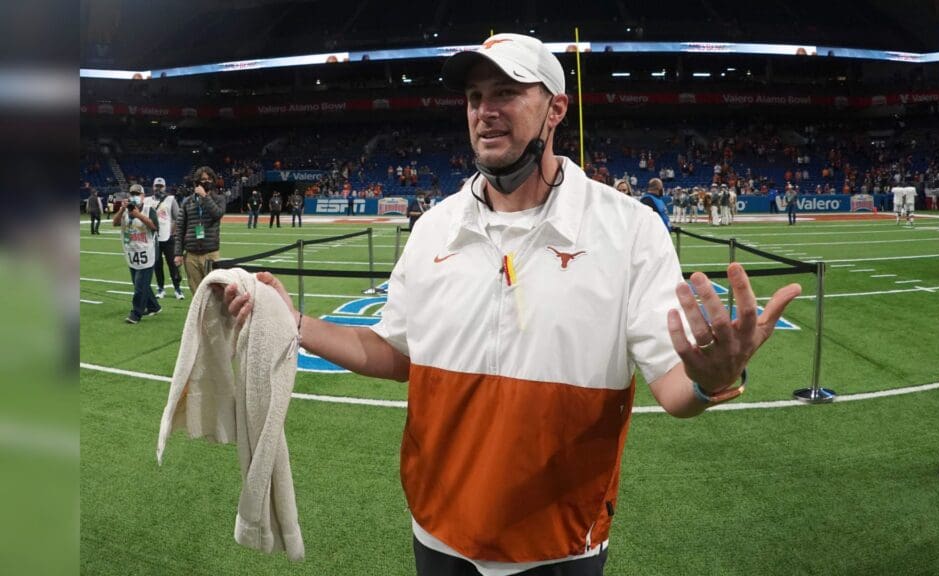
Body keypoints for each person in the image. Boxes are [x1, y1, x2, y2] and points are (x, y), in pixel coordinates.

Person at [220, 33, 800, 576]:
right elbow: (395, 352)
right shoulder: (434, 229)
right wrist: (291, 321)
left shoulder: (628, 230)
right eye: (474, 97)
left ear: (555, 109)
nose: (484, 110)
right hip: (437, 529)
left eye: (506, 93)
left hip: (560, 542)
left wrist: (712, 379)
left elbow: (673, 390)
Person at [174, 166, 226, 296]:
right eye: (203, 179)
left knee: (215, 292)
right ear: (197, 181)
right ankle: (200, 316)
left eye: (209, 179)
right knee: (197, 293)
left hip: (210, 253)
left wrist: (205, 196)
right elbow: (180, 228)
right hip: (191, 254)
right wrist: (178, 253)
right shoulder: (187, 202)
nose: (206, 182)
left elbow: (217, 214)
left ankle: (215, 317)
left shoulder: (219, 199)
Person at [113, 184, 160, 324]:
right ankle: (153, 306)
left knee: (140, 285)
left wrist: (138, 215)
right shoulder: (126, 211)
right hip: (132, 253)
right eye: (132, 194)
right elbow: (115, 223)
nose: (135, 196)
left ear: (143, 196)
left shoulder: (148, 209)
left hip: (147, 253)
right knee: (138, 282)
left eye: (137, 194)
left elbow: (154, 226)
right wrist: (122, 210)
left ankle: (136, 313)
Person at [149, 177, 184, 300]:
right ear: (153, 187)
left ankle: (177, 288)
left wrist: (172, 232)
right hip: (154, 239)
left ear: (164, 187)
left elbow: (178, 218)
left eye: (161, 186)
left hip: (168, 238)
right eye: (156, 186)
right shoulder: (148, 201)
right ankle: (160, 288)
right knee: (157, 265)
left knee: (173, 264)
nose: (158, 188)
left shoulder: (171, 200)